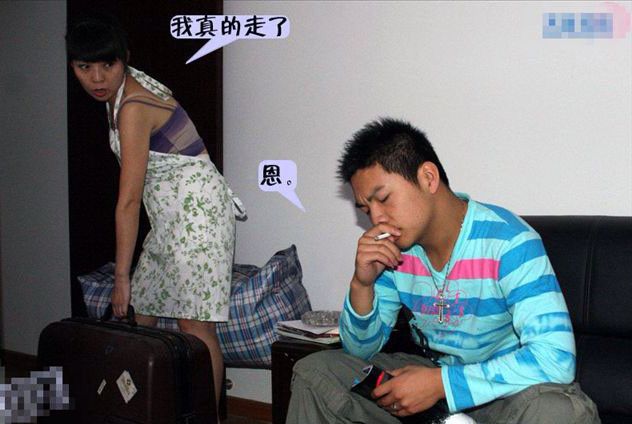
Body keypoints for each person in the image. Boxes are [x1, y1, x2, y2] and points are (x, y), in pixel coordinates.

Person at [286, 118, 600, 424]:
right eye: (367, 209)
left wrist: (441, 384)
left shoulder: (509, 242)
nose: (377, 218)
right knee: (316, 373)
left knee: (561, 411)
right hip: (433, 386)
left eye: (383, 199)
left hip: (507, 394)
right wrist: (362, 285)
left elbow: (555, 358)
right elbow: (360, 350)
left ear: (428, 177)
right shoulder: (394, 251)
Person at [66, 15, 246, 412]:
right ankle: (131, 411)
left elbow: (128, 200)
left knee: (194, 327)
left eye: (108, 64)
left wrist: (121, 277)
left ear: (125, 59)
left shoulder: (133, 106)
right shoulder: (116, 95)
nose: (97, 78)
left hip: (199, 215)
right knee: (140, 315)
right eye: (84, 67)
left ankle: (207, 419)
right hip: (169, 217)